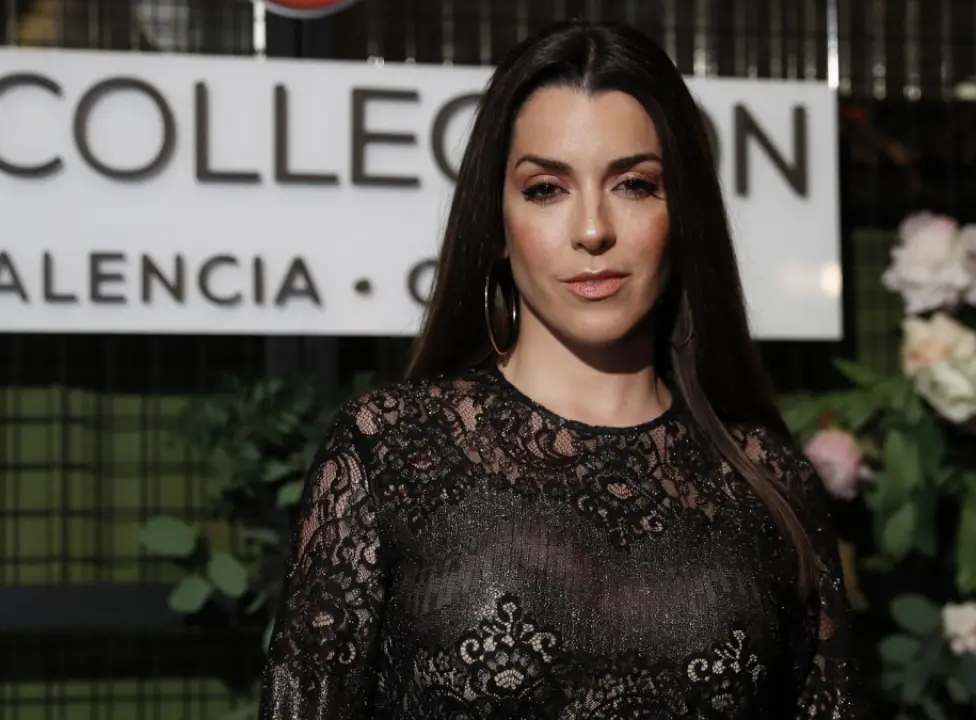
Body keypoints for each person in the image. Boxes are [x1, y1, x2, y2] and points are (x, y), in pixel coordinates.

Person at [258, 19, 866, 719]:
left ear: (683, 211)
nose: (592, 230)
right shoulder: (393, 450)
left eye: (634, 184)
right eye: (547, 188)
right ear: (497, 222)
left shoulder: (770, 484)